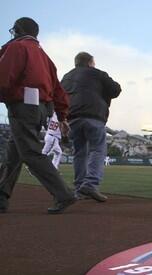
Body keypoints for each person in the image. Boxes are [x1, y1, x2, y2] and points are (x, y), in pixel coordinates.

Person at [0, 17, 76, 214]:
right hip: (43, 108)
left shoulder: (17, 48)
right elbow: (58, 89)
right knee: (14, 153)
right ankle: (1, 196)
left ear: (17, 30)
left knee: (30, 153)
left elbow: (3, 76)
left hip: (23, 107)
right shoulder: (44, 55)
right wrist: (62, 116)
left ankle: (63, 193)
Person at [61, 52, 121, 202]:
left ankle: (80, 189)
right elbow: (116, 89)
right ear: (89, 63)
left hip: (72, 117)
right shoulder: (97, 73)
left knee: (79, 153)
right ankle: (90, 184)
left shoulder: (66, 77)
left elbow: (59, 96)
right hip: (93, 115)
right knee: (98, 149)